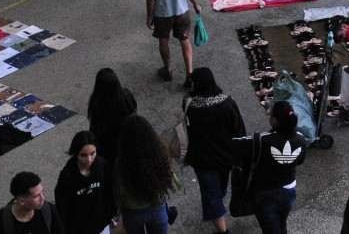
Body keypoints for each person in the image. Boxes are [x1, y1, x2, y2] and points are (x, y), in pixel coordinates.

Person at [183, 67, 246, 234]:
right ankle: (220, 221)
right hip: (225, 158)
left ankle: (222, 230)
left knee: (211, 194)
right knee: (219, 190)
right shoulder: (227, 104)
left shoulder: (190, 106)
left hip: (202, 160)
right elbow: (239, 131)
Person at [236, 100, 307, 234]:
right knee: (281, 222)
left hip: (264, 191)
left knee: (270, 228)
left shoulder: (261, 140)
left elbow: (235, 145)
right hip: (288, 190)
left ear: (275, 121)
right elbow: (300, 160)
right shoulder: (301, 139)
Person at [113, 115, 180, 234]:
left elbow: (119, 189)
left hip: (132, 211)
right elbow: (167, 176)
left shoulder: (121, 161)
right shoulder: (160, 154)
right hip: (157, 208)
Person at [55, 131, 114, 234]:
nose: (89, 160)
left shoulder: (103, 166)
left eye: (92, 153)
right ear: (75, 153)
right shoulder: (67, 176)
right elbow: (63, 207)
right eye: (83, 155)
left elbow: (110, 193)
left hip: (102, 224)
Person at [86, 68, 137, 165]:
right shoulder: (126, 96)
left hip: (108, 150)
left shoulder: (97, 104)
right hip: (127, 143)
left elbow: (94, 130)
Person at [0, 171, 64, 234]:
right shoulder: (5, 221)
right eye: (36, 196)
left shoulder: (49, 210)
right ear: (22, 201)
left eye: (42, 192)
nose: (43, 198)